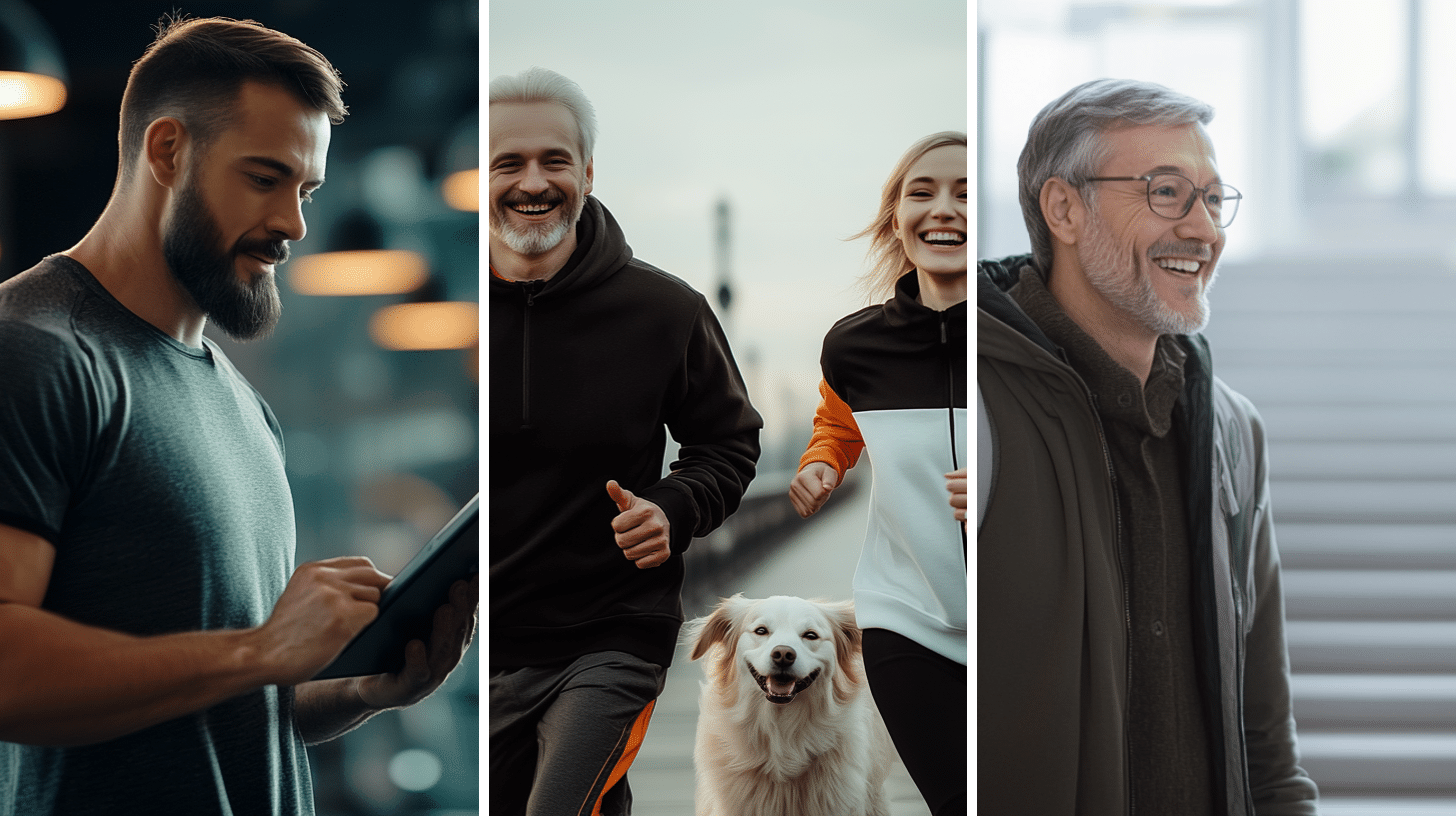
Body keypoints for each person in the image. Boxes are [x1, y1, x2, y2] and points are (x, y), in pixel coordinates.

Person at [0, 17, 477, 815]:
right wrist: (260, 648)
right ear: (167, 152)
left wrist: (364, 690)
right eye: (264, 178)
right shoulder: (34, 351)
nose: (293, 223)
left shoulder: (239, 404)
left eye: (307, 190)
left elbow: (232, 702)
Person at [977, 78, 1319, 814]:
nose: (1203, 230)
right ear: (1064, 208)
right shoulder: (971, 397)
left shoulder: (1232, 431)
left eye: (1213, 198)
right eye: (1166, 192)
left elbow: (1264, 737)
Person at [487, 67, 762, 816]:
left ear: (587, 172)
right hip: (489, 644)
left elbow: (730, 445)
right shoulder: (451, 319)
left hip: (614, 633)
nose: (532, 182)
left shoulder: (665, 310)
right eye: (507, 162)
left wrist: (673, 508)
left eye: (554, 161)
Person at [788, 132, 969, 816]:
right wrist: (820, 464)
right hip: (905, 616)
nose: (942, 208)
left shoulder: (1026, 341)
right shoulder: (855, 345)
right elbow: (838, 426)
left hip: (1021, 620)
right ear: (896, 217)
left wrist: (1009, 479)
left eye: (963, 193)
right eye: (921, 193)